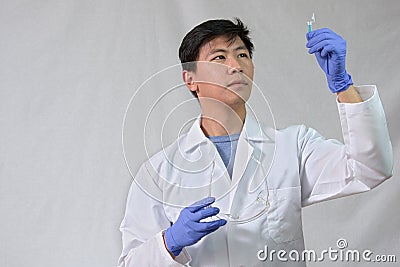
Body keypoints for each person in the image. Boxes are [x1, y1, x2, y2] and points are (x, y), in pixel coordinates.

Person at [118, 18, 393, 266]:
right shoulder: (158, 173)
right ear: (190, 79)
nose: (236, 66)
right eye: (219, 58)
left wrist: (343, 85)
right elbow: (131, 263)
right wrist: (170, 242)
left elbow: (370, 168)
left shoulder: (292, 146)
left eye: (242, 55)